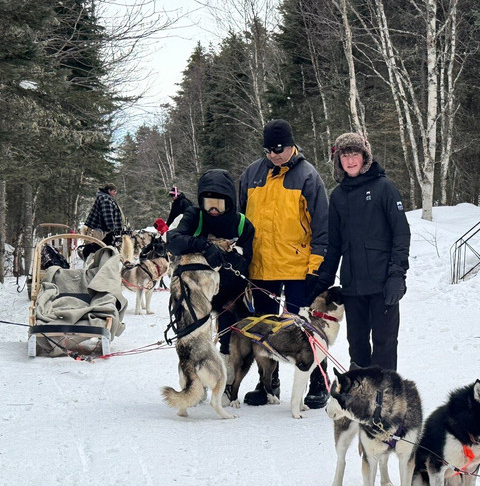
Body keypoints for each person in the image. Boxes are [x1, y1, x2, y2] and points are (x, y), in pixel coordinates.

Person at [238, 118, 329, 408]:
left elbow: (322, 227)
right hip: (261, 267)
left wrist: (316, 266)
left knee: (304, 330)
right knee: (264, 332)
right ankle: (268, 383)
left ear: (291, 146)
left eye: (279, 149)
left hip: (297, 268)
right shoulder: (252, 174)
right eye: (269, 150)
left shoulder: (308, 176)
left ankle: (318, 381)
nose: (274, 154)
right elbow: (240, 219)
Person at [314, 131, 410, 371]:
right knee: (356, 346)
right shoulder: (337, 197)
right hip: (353, 287)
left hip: (383, 285)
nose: (350, 160)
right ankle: (360, 401)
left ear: (364, 156)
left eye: (355, 153)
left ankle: (385, 401)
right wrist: (321, 280)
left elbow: (401, 233)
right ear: (339, 161)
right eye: (344, 155)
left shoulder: (384, 188)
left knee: (384, 344)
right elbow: (334, 245)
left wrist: (397, 274)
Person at [166, 169, 255, 362]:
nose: (213, 210)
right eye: (209, 204)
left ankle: (227, 376)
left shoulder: (242, 225)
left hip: (230, 292)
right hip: (198, 289)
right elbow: (173, 240)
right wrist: (204, 246)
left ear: (229, 202)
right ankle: (194, 371)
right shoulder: (194, 215)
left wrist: (226, 257)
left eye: (219, 205)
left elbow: (246, 265)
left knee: (231, 339)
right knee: (194, 337)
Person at [80, 184, 125, 257]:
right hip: (101, 231)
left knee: (101, 249)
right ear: (109, 191)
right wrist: (112, 228)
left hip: (102, 230)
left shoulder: (106, 198)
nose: (115, 193)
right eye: (114, 191)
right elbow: (107, 215)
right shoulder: (105, 199)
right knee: (100, 250)